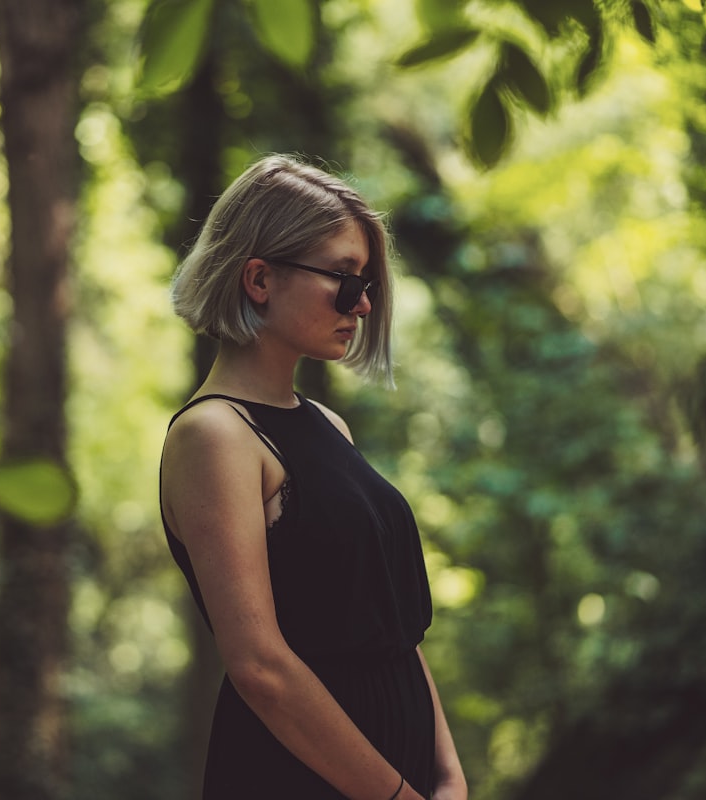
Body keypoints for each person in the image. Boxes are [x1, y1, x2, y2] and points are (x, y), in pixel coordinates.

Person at [160, 154, 467, 800]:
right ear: (259, 279)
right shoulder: (214, 436)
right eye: (343, 277)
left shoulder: (328, 424)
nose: (361, 304)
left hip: (399, 776)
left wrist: (447, 776)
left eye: (369, 284)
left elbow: (393, 632)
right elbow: (260, 667)